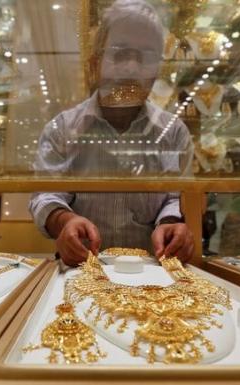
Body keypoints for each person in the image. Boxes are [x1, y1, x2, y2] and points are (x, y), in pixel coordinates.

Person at [29, 0, 194, 266]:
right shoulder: (62, 129)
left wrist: (171, 224)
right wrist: (65, 222)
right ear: (96, 63)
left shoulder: (174, 132)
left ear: (158, 69)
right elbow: (46, 196)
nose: (131, 68)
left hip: (154, 275)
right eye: (119, 54)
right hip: (79, 271)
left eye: (145, 57)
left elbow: (178, 198)